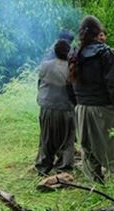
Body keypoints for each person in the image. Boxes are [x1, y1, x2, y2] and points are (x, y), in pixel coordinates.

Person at [69, 16, 114, 182]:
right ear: (98, 33)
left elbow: (69, 84)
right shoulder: (106, 53)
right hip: (103, 107)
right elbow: (113, 82)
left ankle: (95, 184)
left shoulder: (75, 54)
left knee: (88, 148)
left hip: (82, 108)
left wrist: (76, 104)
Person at [34, 39, 75, 176]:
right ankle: (63, 169)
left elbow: (39, 85)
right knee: (67, 141)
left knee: (46, 139)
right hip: (66, 109)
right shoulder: (72, 68)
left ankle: (43, 167)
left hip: (47, 107)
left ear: (55, 52)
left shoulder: (45, 66)